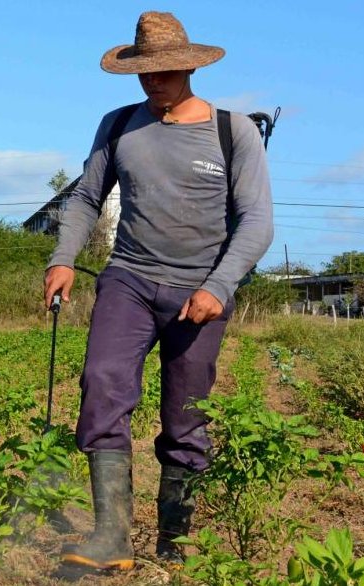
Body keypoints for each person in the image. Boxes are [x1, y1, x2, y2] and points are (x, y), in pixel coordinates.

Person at [43, 10, 273, 572]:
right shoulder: (118, 125)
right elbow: (85, 199)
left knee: (185, 415)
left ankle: (176, 538)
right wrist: (63, 257)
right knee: (101, 383)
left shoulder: (232, 130)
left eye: (166, 70)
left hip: (201, 292)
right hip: (129, 278)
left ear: (190, 67)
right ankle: (111, 536)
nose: (154, 80)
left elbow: (257, 222)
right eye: (145, 71)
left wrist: (219, 286)